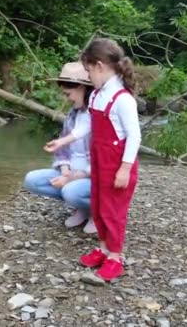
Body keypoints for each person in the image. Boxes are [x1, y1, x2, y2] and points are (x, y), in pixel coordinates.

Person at [46, 38, 141, 281]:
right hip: (99, 161)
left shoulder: (122, 98)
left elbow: (134, 136)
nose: (88, 77)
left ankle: (115, 257)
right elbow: (87, 124)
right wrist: (63, 141)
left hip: (117, 163)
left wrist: (125, 169)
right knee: (98, 207)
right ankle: (103, 248)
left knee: (113, 211)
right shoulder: (98, 95)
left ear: (99, 66)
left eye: (88, 71)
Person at [23, 62, 96, 234]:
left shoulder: (98, 115)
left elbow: (101, 162)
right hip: (72, 174)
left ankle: (98, 213)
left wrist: (71, 178)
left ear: (83, 88)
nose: (67, 99)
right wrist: (64, 171)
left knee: (70, 191)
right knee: (31, 180)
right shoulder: (73, 114)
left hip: (94, 177)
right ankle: (83, 209)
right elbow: (62, 148)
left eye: (68, 94)